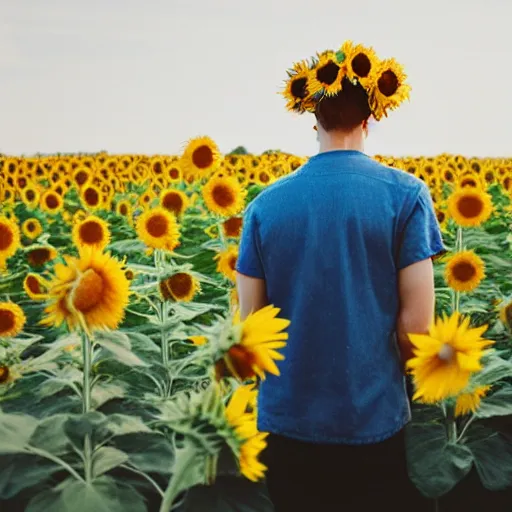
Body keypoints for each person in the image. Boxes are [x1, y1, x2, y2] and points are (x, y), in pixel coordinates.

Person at [235, 41, 445, 511]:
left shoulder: (264, 207)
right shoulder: (407, 196)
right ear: (370, 120)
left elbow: (249, 327)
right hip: (372, 419)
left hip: (287, 422)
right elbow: (416, 330)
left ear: (315, 122)